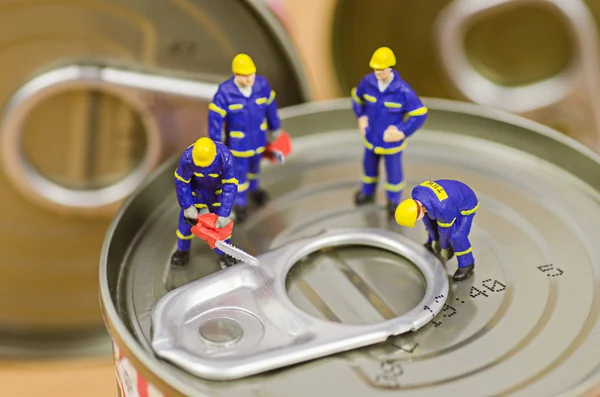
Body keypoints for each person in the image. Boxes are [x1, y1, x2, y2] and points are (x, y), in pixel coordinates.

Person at [208, 53, 291, 222]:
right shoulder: (226, 92)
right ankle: (240, 203)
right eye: (244, 76)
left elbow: (271, 109)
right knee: (239, 175)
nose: (249, 79)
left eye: (251, 74)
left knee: (255, 169)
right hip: (238, 145)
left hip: (258, 140)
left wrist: (275, 128)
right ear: (236, 75)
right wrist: (216, 144)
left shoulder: (262, 86)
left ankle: (255, 190)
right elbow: (215, 119)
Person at [351, 47, 428, 217]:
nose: (378, 72)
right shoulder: (367, 83)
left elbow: (420, 114)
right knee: (368, 169)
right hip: (371, 138)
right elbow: (357, 99)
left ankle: (393, 201)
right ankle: (367, 192)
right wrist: (361, 116)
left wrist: (402, 131)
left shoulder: (402, 91)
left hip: (391, 143)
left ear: (391, 67)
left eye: (382, 69)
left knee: (394, 174)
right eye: (376, 68)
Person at [170, 137, 239, 269]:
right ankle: (182, 250)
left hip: (217, 194)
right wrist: (187, 206)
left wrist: (224, 213)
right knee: (186, 223)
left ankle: (224, 253)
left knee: (221, 226)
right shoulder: (188, 157)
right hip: (196, 193)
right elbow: (181, 181)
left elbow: (230, 186)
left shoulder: (226, 158)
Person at [394, 179, 479, 281]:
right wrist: (434, 240)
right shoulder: (417, 193)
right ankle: (431, 243)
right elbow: (427, 221)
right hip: (448, 199)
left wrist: (444, 248)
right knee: (430, 224)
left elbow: (445, 232)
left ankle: (467, 264)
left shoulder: (442, 209)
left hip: (466, 203)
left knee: (457, 236)